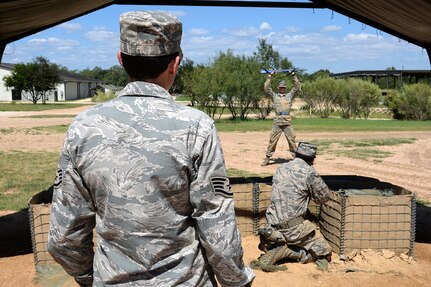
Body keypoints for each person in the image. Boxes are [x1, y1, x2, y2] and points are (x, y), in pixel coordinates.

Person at [47, 11, 255, 287]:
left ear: (121, 59)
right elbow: (216, 223)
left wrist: (89, 277)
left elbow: (64, 235)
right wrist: (236, 281)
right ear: (175, 63)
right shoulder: (196, 127)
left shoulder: (84, 127)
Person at [253, 142, 332, 272]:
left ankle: (274, 241)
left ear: (295, 155)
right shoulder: (309, 173)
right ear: (312, 159)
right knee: (324, 251)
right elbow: (323, 198)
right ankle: (289, 252)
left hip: (272, 223)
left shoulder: (281, 168)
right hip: (293, 230)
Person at [261, 70, 301, 166]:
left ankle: (296, 158)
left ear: (285, 88)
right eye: (281, 87)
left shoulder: (289, 95)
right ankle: (267, 158)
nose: (282, 89)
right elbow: (266, 88)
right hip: (277, 121)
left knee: (291, 139)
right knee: (273, 140)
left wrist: (293, 75)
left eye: (283, 87)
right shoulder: (274, 96)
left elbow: (297, 88)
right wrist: (270, 76)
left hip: (287, 121)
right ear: (279, 88)